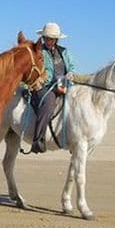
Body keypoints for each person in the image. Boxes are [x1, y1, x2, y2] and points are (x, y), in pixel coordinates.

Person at [30, 22, 76, 153]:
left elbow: (71, 66)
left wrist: (71, 73)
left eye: (51, 38)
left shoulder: (64, 52)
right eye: (46, 38)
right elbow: (41, 73)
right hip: (45, 86)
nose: (48, 41)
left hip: (66, 84)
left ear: (56, 39)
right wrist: (55, 89)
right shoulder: (39, 52)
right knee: (49, 102)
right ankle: (38, 140)